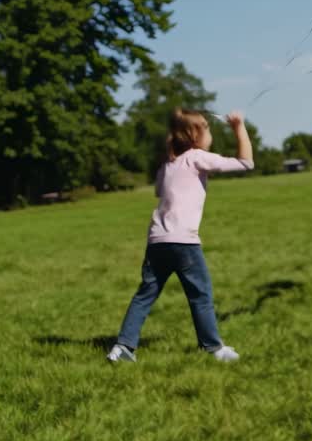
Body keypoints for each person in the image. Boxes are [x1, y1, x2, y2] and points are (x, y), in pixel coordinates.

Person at [107, 108, 254, 365]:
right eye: (206, 127)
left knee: (145, 295)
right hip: (183, 242)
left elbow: (160, 192)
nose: (210, 132)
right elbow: (245, 163)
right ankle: (212, 348)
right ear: (193, 134)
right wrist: (238, 126)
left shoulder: (166, 165)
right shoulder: (197, 157)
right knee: (201, 295)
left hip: (157, 241)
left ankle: (123, 347)